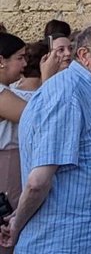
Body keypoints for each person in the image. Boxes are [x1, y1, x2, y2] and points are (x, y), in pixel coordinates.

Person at [0, 21, 91, 254]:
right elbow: (38, 181)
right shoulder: (68, 94)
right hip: (65, 241)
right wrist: (17, 226)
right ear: (84, 55)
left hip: (87, 238)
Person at [0, 34, 31, 254]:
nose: (25, 64)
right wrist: (49, 78)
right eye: (20, 57)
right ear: (2, 60)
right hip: (6, 166)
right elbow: (33, 116)